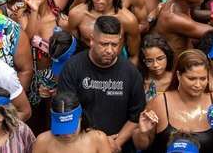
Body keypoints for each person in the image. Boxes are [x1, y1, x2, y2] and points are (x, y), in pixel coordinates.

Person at [56, 15, 146, 150]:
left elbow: (136, 116)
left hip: (118, 145)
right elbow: (67, 111)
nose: (110, 50)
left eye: (115, 45)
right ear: (92, 40)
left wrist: (116, 143)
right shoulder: (72, 68)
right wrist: (97, 141)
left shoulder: (131, 73)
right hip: (82, 145)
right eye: (104, 44)